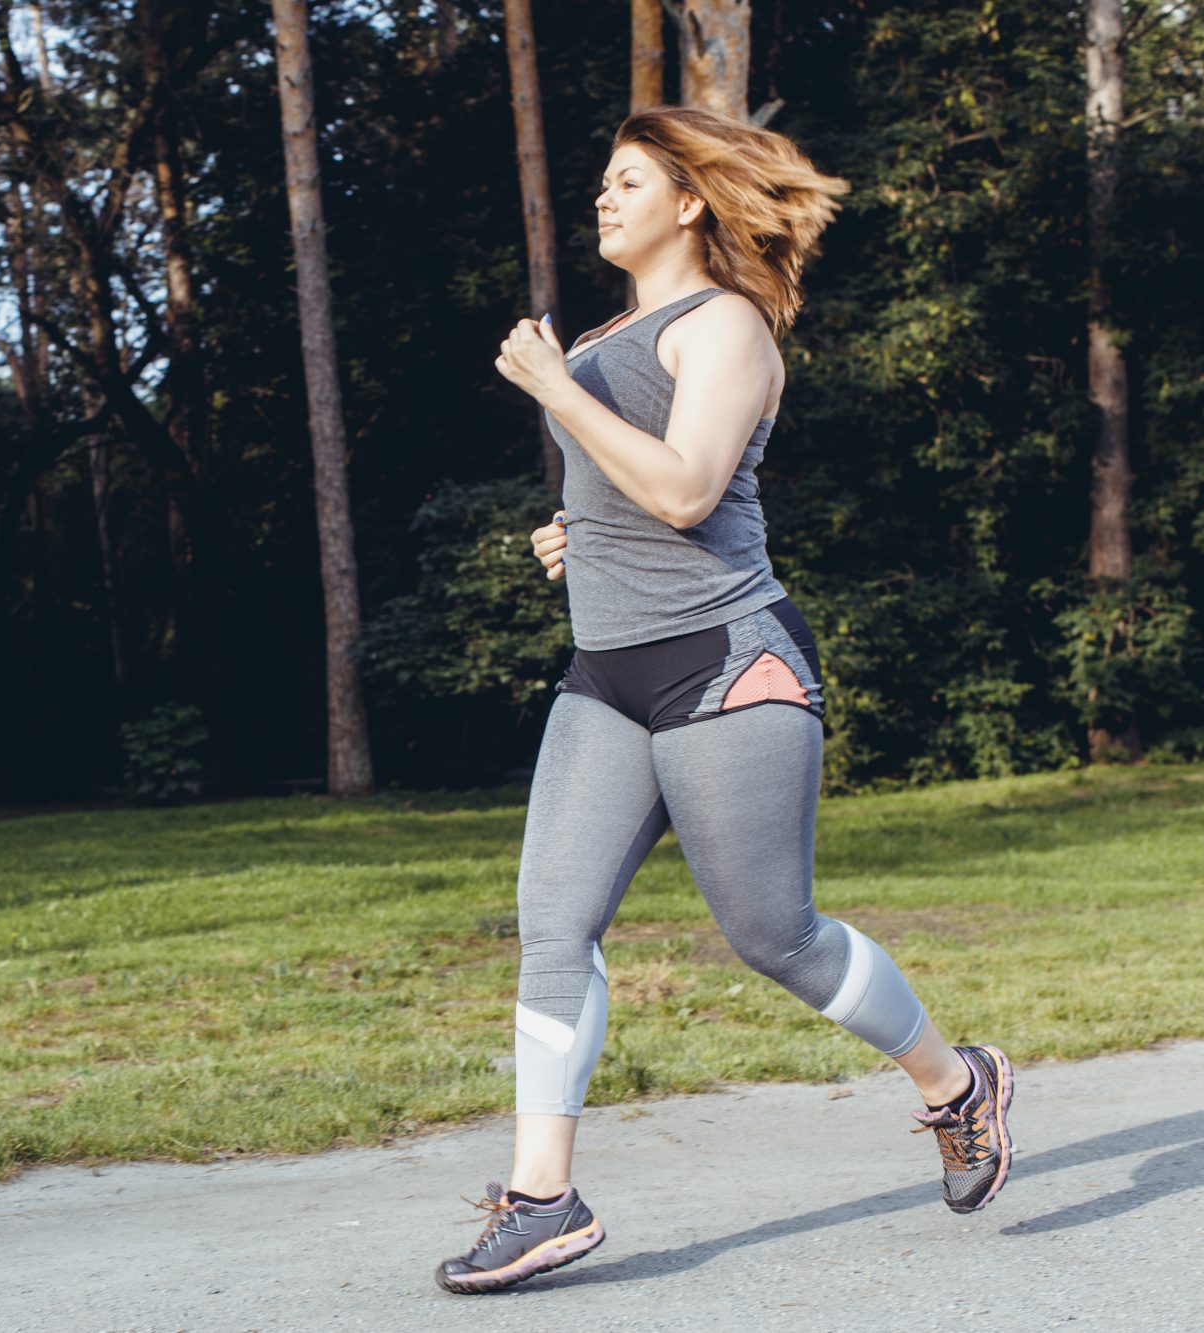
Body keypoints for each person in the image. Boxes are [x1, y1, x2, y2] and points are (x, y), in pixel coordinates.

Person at [432, 106, 1015, 1297]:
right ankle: (543, 1197)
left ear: (688, 201)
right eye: (599, 179)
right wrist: (573, 533)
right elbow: (624, 481)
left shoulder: (727, 324)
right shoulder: (610, 331)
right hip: (607, 670)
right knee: (553, 921)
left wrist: (550, 382)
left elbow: (691, 489)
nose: (601, 197)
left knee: (771, 934)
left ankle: (957, 1084)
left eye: (626, 179)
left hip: (723, 661)